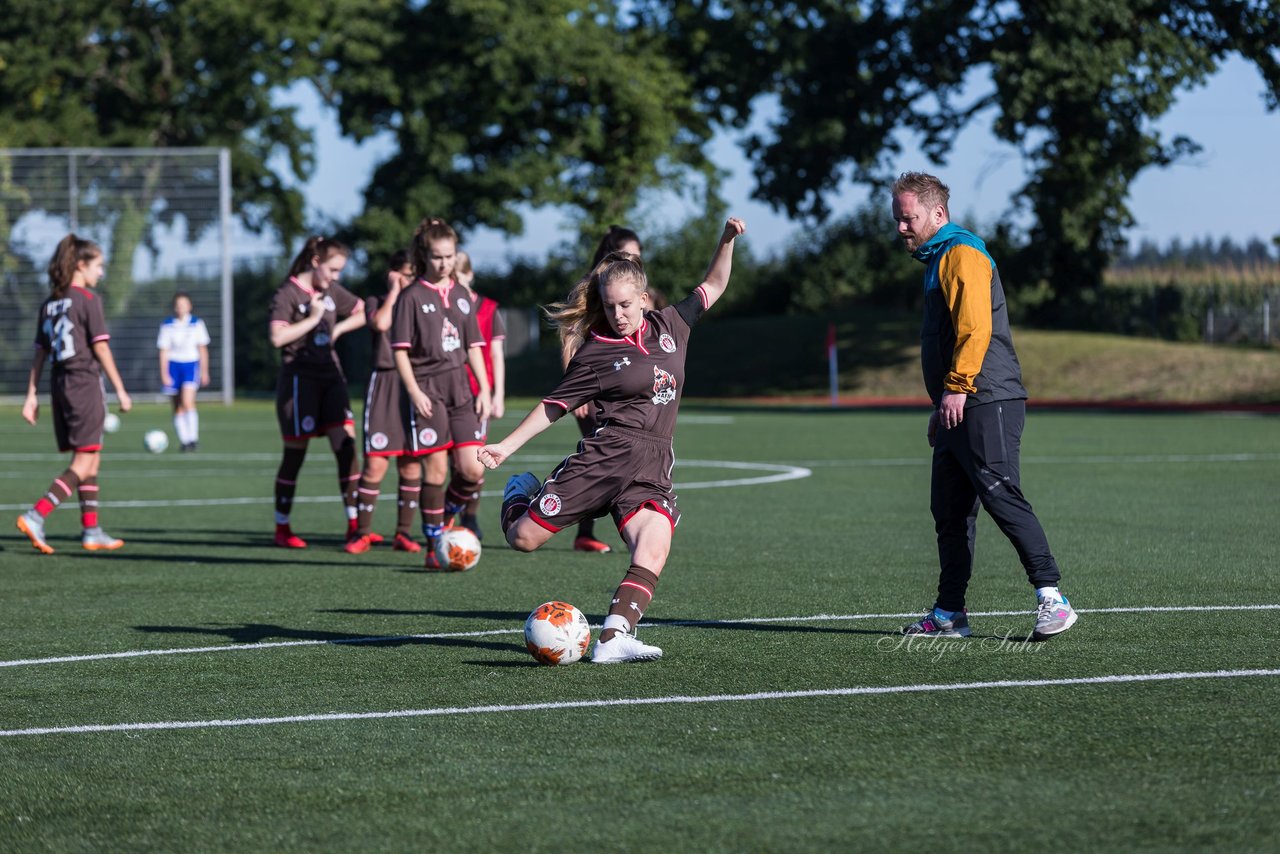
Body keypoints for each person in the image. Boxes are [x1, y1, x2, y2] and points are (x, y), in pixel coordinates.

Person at [479, 217, 747, 664]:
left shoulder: (672, 324)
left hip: (653, 463)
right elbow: (553, 406)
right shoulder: (597, 351)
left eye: (625, 305)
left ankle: (613, 636)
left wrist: (726, 240)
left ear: (644, 299)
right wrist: (506, 446)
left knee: (655, 543)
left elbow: (714, 285)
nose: (617, 314)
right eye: (608, 306)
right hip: (605, 459)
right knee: (522, 539)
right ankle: (518, 491)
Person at [890, 171, 1077, 641]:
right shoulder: (935, 260)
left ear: (938, 213)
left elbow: (976, 328)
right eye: (896, 219)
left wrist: (956, 387)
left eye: (908, 218)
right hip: (958, 402)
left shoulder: (962, 252)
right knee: (948, 511)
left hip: (985, 396)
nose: (901, 228)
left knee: (999, 493)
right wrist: (942, 404)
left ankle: (1053, 598)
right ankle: (951, 612)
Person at [16, 234, 133, 554]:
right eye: (98, 266)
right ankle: (36, 515)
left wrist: (31, 395)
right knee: (84, 461)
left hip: (59, 385)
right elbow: (101, 348)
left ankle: (91, 530)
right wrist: (121, 390)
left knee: (91, 459)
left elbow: (39, 353)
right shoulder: (87, 300)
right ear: (80, 265)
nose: (101, 273)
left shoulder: (49, 303)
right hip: (83, 384)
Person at [390, 218, 492, 569]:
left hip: (461, 390)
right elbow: (400, 351)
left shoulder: (462, 295)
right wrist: (414, 390)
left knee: (472, 469)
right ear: (424, 255)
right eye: (437, 257)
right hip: (428, 390)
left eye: (449, 256)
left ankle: (447, 515)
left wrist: (485, 389)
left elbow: (475, 346)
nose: (444, 263)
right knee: (435, 470)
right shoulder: (411, 296)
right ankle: (435, 546)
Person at [268, 236, 366, 549]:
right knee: (295, 456)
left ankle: (354, 526)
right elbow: (277, 338)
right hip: (299, 382)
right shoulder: (288, 292)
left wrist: (337, 329)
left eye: (340, 271)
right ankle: (282, 528)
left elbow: (362, 310)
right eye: (333, 270)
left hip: (332, 379)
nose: (336, 277)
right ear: (315, 262)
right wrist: (312, 319)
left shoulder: (331, 292)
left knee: (347, 448)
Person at [559, 225, 648, 554]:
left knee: (610, 460)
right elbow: (571, 333)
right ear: (613, 254)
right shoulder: (593, 287)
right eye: (631, 255)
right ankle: (565, 515)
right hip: (593, 385)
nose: (637, 261)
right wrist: (576, 390)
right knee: (600, 458)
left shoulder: (632, 290)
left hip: (623, 385)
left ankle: (589, 530)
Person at [346, 251, 426, 554]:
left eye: (412, 275)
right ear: (393, 274)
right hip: (384, 385)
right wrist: (395, 292)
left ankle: (403, 533)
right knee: (375, 465)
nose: (409, 281)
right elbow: (380, 324)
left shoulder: (421, 304)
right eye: (404, 274)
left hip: (415, 385)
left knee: (410, 464)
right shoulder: (376, 302)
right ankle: (362, 533)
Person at [453, 249, 506, 539]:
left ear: (470, 275)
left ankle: (470, 516)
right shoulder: (444, 304)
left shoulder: (487, 308)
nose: (456, 282)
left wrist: (497, 394)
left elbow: (496, 355)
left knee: (474, 459)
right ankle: (447, 514)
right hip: (448, 391)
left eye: (460, 276)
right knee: (449, 461)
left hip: (477, 394)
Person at [157, 292, 211, 452]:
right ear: (174, 307)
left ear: (189, 306)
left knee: (187, 402)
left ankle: (193, 438)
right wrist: (164, 373)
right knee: (177, 406)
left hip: (190, 365)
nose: (181, 307)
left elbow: (202, 349)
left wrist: (204, 371)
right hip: (173, 366)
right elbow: (164, 351)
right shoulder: (167, 325)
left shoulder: (197, 324)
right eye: (178, 305)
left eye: (184, 304)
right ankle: (184, 440)